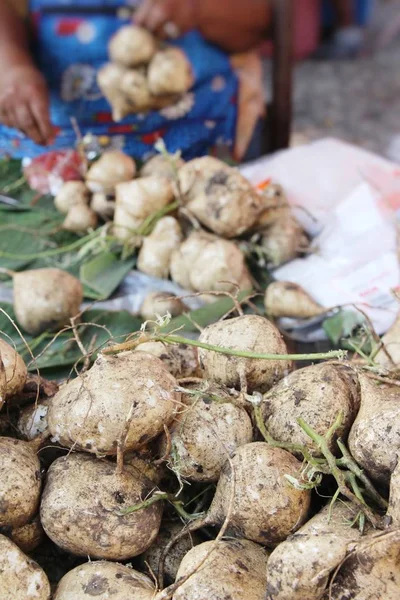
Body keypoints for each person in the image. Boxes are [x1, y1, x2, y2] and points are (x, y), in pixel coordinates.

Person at [0, 0, 271, 161]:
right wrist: (9, 63)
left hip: (200, 149)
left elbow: (262, 18)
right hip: (48, 153)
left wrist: (198, 8)